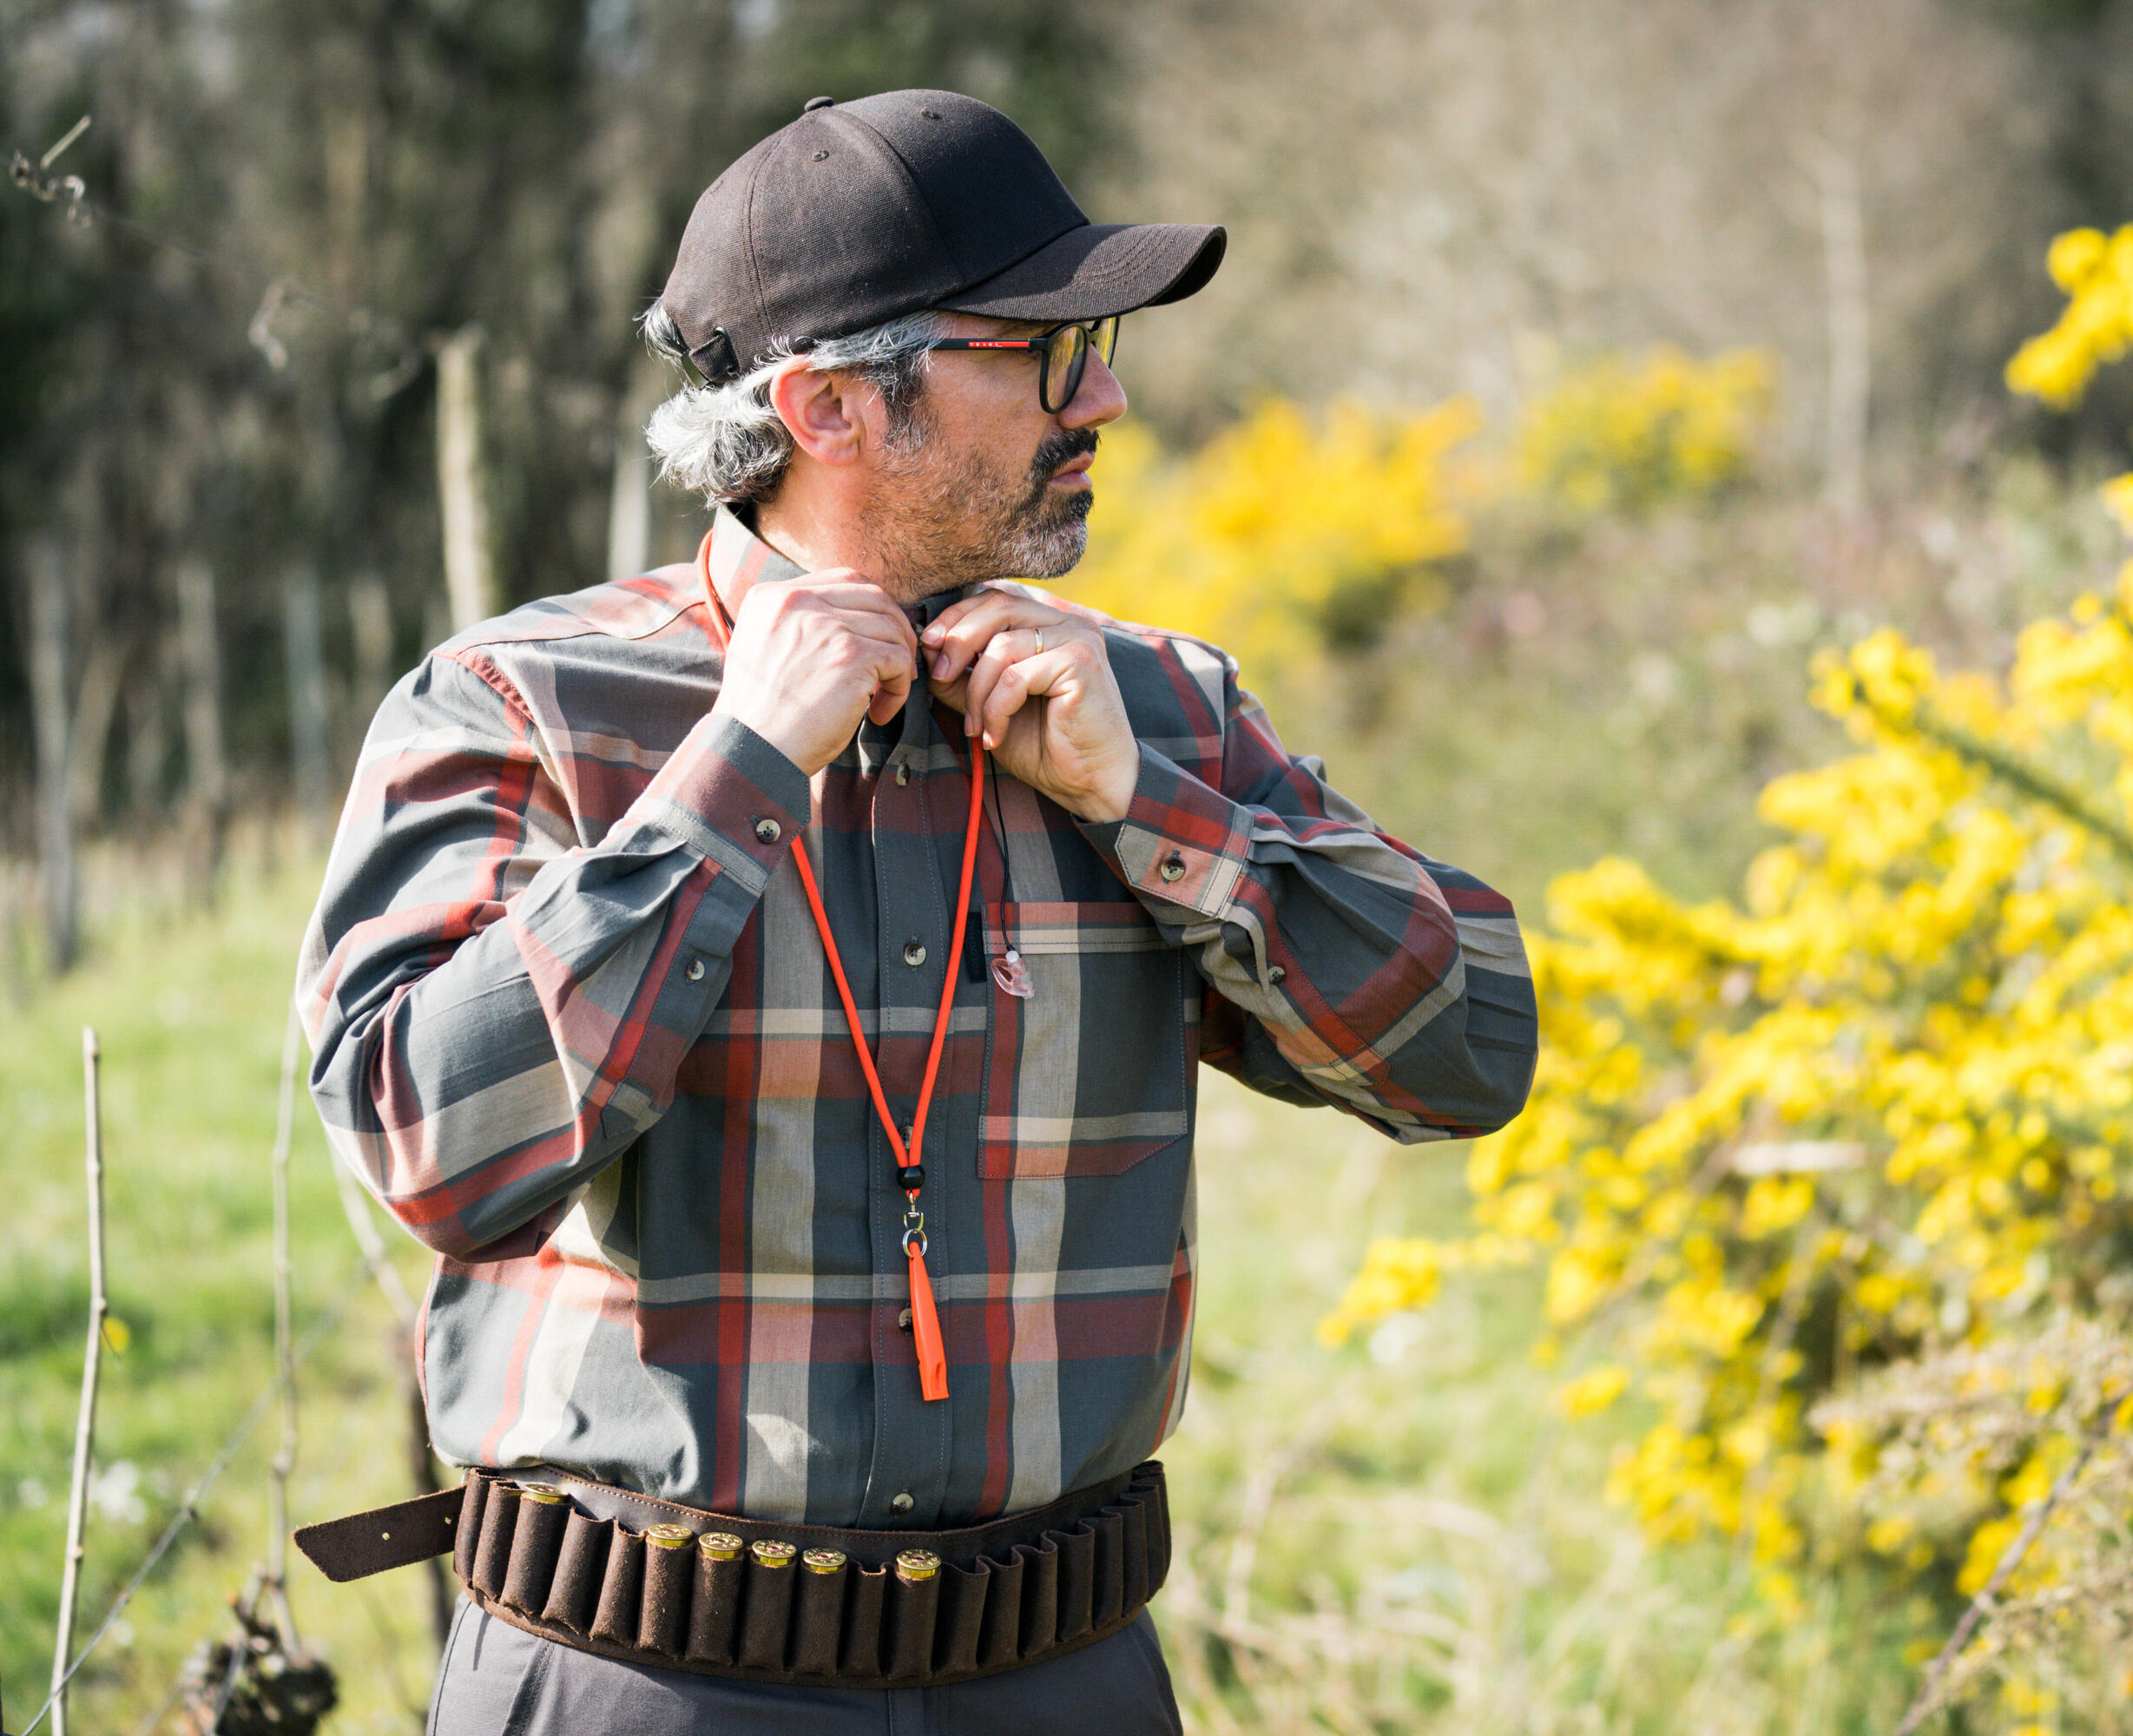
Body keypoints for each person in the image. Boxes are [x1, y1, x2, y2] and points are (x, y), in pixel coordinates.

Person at [295, 89, 1537, 1734]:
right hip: (636, 1682)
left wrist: (1156, 813)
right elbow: (427, 1145)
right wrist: (739, 770)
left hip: (1065, 1679)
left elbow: (1473, 1054)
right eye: (1044, 348)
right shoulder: (523, 703)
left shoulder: (1153, 708)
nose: (1101, 396)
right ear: (826, 405)